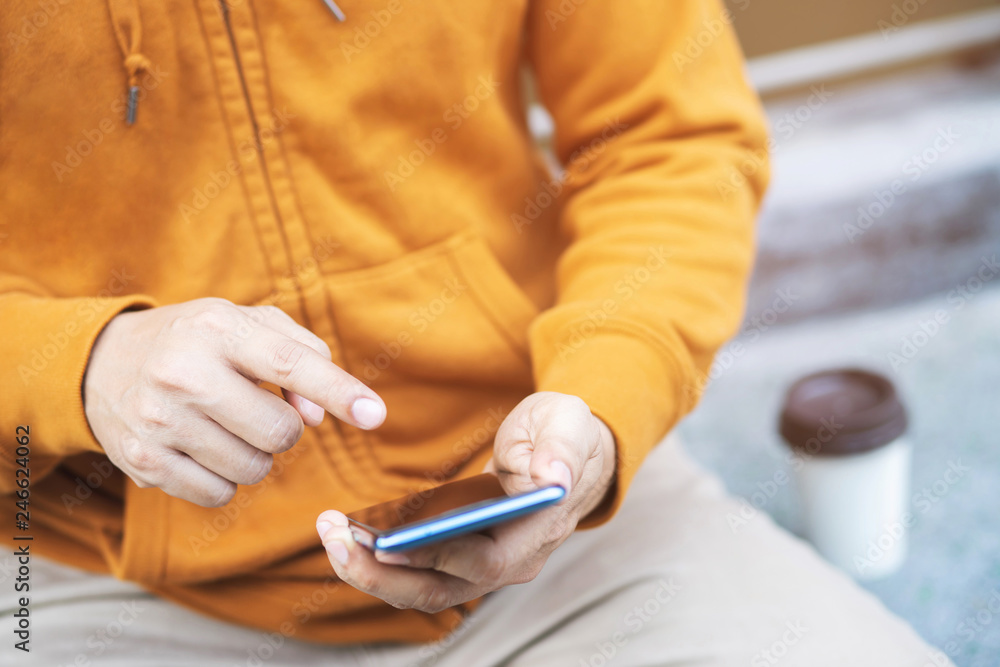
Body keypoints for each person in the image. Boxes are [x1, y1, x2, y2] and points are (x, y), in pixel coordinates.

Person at [0, 0, 951, 664]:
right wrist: (79, 368)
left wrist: (601, 399)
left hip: (545, 500)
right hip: (84, 564)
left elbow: (669, 137)